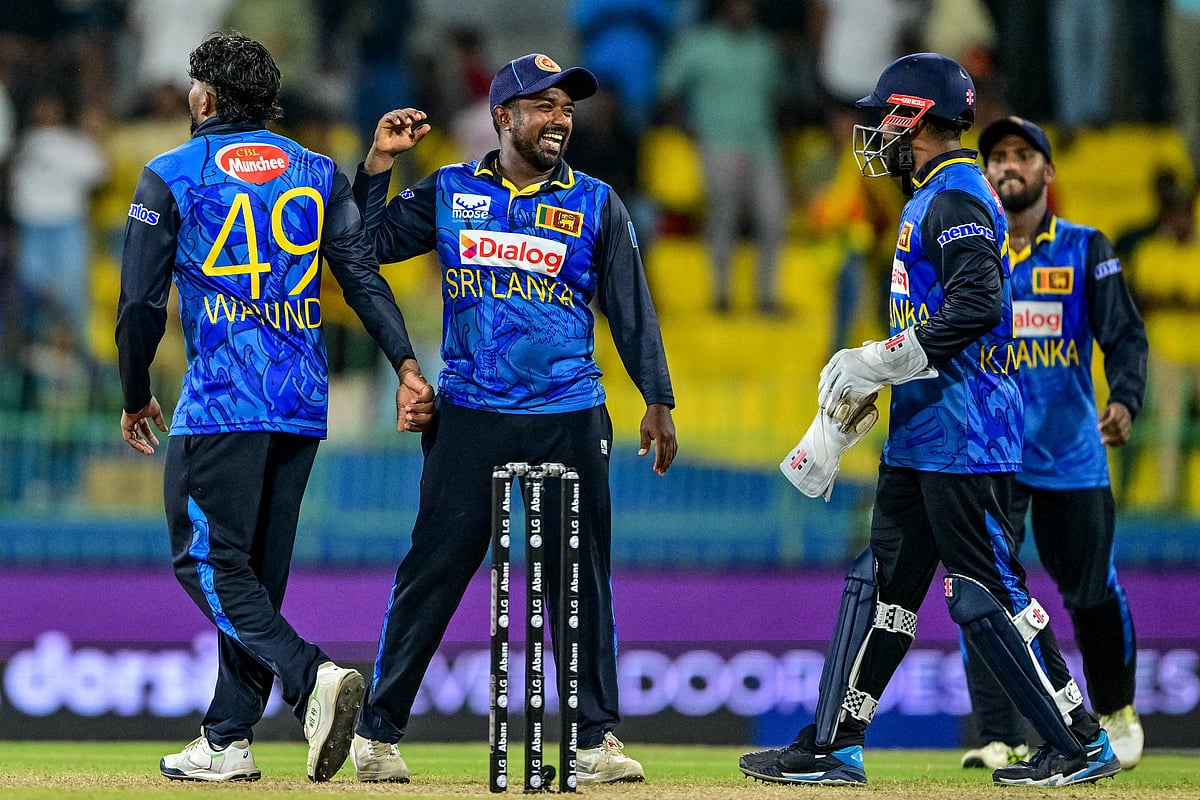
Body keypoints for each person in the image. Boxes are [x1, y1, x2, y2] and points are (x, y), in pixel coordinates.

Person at [741, 53, 1121, 787]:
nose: (876, 133)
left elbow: (978, 304)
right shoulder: (932, 196)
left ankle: (1080, 741)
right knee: (881, 584)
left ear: (915, 118)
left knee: (985, 590)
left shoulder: (957, 196)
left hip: (967, 434)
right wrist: (881, 378)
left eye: (884, 117)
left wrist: (879, 359)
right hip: (925, 430)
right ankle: (834, 744)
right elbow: (942, 315)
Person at [348, 53, 677, 784]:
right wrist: (377, 166)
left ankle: (593, 742)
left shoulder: (596, 200)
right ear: (503, 116)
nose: (560, 120)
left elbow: (631, 306)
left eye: (567, 108)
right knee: (435, 570)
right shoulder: (450, 190)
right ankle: (376, 734)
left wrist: (657, 397)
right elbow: (363, 246)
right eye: (544, 107)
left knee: (578, 578)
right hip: (471, 411)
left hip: (570, 412)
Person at [115, 32, 434, 783]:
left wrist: (133, 392)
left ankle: (310, 676)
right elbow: (361, 276)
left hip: (223, 400)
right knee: (255, 577)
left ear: (206, 99)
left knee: (205, 561)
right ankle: (227, 739)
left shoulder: (171, 174)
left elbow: (139, 305)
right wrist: (405, 361)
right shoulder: (318, 172)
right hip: (299, 402)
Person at [956, 116, 1148, 771]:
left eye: (1022, 154)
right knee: (984, 593)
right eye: (997, 157)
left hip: (1072, 456)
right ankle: (1001, 733)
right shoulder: (970, 251)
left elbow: (1125, 336)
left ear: (1048, 171)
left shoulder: (1086, 249)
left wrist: (1124, 400)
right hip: (992, 457)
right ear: (986, 174)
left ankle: (1117, 712)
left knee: (1091, 592)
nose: (1008, 165)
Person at [657, 0, 788, 314]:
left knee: (774, 217)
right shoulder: (701, 44)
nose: (743, 9)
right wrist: (687, 128)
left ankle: (766, 297)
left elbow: (780, 97)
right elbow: (667, 89)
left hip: (762, 145)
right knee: (723, 217)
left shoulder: (764, 47)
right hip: (717, 144)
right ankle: (721, 296)